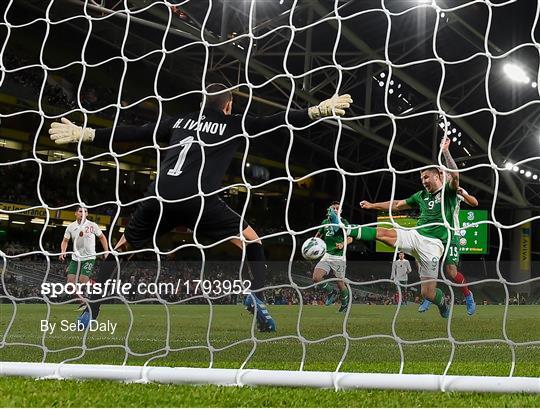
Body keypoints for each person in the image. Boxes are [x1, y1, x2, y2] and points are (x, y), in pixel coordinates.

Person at [49, 83, 353, 332]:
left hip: (160, 197)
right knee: (253, 242)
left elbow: (136, 132)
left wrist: (85, 134)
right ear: (228, 105)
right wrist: (317, 110)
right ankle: (257, 297)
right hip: (199, 200)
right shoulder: (233, 123)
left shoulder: (178, 121)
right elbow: (276, 122)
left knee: (120, 249)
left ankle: (91, 311)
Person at [347, 137, 459, 318]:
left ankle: (442, 303)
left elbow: (455, 176)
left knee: (427, 294)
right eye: (421, 178)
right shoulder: (420, 195)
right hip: (415, 235)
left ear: (437, 175)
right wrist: (373, 205)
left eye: (426, 176)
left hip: (433, 245)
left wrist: (445, 151)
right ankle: (349, 229)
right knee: (383, 234)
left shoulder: (449, 192)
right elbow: (397, 204)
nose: (423, 180)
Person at [418, 185, 478, 315]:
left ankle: (468, 296)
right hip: (433, 236)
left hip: (451, 235)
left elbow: (474, 202)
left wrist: (462, 193)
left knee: (451, 272)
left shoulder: (454, 188)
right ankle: (429, 296)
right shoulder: (429, 192)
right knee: (429, 267)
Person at [60, 206, 109, 308]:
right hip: (75, 258)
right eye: (80, 211)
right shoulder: (71, 227)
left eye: (85, 211)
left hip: (89, 257)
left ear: (87, 214)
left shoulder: (92, 225)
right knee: (70, 285)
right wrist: (62, 252)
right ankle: (83, 302)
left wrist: (106, 251)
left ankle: (98, 286)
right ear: (76, 213)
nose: (83, 213)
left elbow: (102, 237)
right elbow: (65, 241)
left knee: (83, 280)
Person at [312, 201, 352, 312]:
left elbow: (350, 238)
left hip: (339, 258)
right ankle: (331, 292)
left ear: (341, 211)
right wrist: (314, 242)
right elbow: (319, 234)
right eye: (333, 208)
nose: (335, 210)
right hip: (326, 255)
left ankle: (344, 304)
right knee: (316, 278)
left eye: (337, 208)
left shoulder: (344, 223)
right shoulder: (325, 222)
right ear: (329, 210)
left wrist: (343, 244)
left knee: (340, 283)